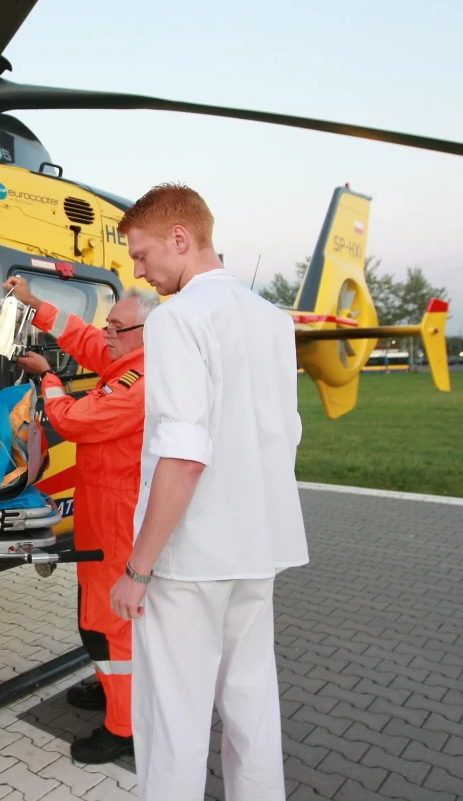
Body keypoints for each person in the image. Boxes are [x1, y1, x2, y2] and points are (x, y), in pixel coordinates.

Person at [109, 183, 308, 801]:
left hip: (190, 559)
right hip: (258, 547)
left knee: (174, 722)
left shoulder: (177, 319)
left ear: (180, 238)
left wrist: (138, 569)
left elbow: (184, 453)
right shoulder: (274, 321)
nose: (139, 271)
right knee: (252, 706)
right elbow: (287, 432)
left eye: (142, 255)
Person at [3, 274, 157, 763]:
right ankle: (110, 687)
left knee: (110, 622)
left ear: (145, 333)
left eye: (116, 327)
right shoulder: (126, 356)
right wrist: (33, 303)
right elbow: (82, 336)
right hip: (102, 508)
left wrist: (49, 380)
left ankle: (124, 726)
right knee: (95, 612)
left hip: (117, 518)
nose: (105, 333)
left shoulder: (139, 380)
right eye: (108, 324)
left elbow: (75, 421)